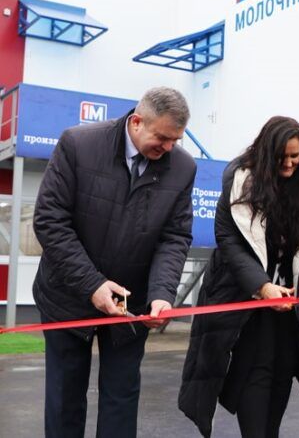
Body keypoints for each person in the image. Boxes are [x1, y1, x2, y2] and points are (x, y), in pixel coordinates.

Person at [32, 87, 196, 438]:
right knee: (64, 399)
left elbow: (174, 237)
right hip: (67, 296)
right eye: (162, 138)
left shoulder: (183, 168)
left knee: (121, 398)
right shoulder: (78, 145)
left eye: (176, 140)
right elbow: (50, 221)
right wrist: (92, 284)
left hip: (130, 304)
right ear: (137, 122)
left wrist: (162, 294)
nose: (169, 148)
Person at [179, 116, 299, 438]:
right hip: (244, 295)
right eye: (283, 157)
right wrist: (262, 286)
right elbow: (229, 240)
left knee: (283, 369)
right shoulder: (240, 180)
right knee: (254, 370)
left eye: (296, 156)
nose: (290, 163)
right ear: (267, 153)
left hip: (290, 300)